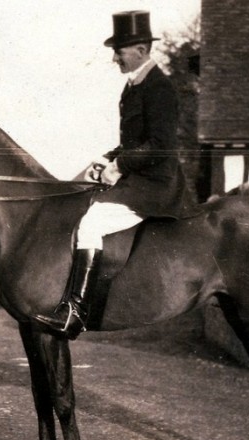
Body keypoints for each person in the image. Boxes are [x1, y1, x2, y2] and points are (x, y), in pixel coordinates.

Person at [34, 10, 196, 339]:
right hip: (138, 178)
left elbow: (161, 147)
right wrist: (104, 160)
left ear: (140, 49)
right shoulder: (133, 88)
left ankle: (75, 312)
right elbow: (133, 142)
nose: (114, 58)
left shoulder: (158, 88)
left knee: (91, 222)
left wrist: (120, 166)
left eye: (119, 51)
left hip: (156, 186)